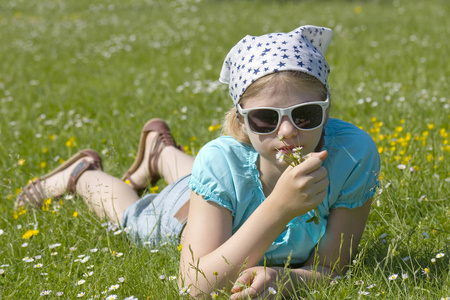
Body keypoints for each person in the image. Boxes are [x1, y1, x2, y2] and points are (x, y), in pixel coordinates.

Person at [16, 25, 380, 299]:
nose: (287, 131)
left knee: (217, 176)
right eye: (266, 119)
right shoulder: (221, 162)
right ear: (240, 122)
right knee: (134, 219)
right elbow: (196, 286)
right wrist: (280, 208)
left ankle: (160, 153)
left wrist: (284, 279)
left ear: (327, 111)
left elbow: (332, 268)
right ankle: (81, 175)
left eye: (305, 114)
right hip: (191, 216)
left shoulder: (352, 156)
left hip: (224, 191)